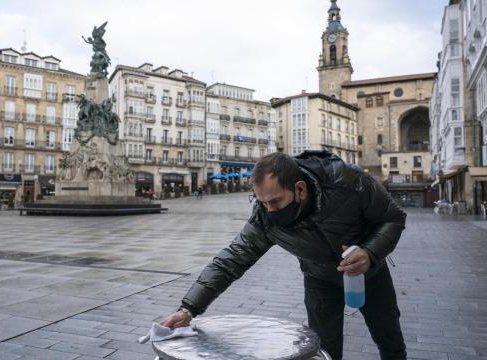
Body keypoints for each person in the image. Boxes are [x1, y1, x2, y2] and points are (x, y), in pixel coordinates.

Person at [160, 151, 407, 360]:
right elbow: (231, 260)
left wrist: (370, 252)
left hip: (370, 274)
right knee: (324, 350)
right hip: (319, 279)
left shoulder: (348, 181)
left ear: (299, 189)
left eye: (275, 201)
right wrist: (188, 309)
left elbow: (393, 217)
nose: (270, 210)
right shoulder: (266, 219)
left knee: (389, 338)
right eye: (262, 202)